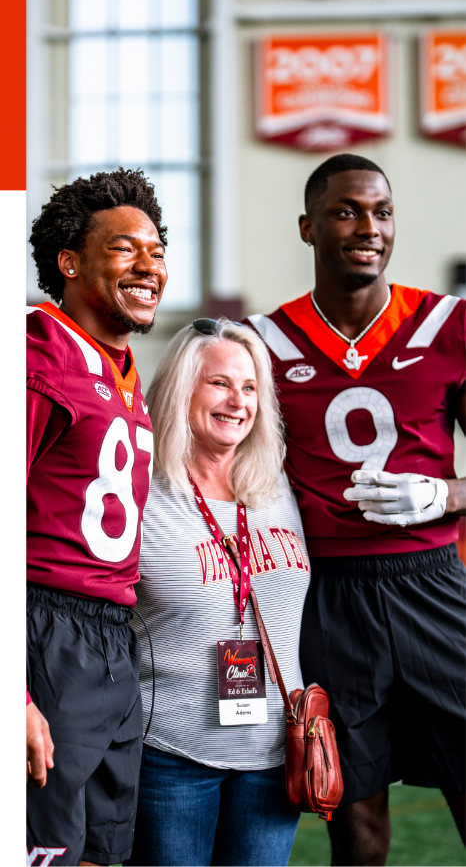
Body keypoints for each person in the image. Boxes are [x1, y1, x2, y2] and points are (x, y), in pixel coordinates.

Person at [246, 153, 466, 866]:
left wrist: (445, 494)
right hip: (328, 595)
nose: (368, 227)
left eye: (381, 212)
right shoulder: (261, 343)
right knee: (357, 823)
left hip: (434, 584)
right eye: (346, 211)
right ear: (309, 227)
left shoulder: (446, 325)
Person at [129, 318, 310, 867]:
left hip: (276, 753)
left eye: (250, 386)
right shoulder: (142, 487)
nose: (238, 401)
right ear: (183, 389)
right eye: (220, 383)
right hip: (172, 753)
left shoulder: (274, 483)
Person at [26, 168, 168, 867]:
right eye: (125, 249)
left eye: (157, 251)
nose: (149, 266)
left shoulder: (122, 368)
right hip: (44, 629)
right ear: (70, 261)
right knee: (41, 851)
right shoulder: (33, 354)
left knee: (101, 852)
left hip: (112, 638)